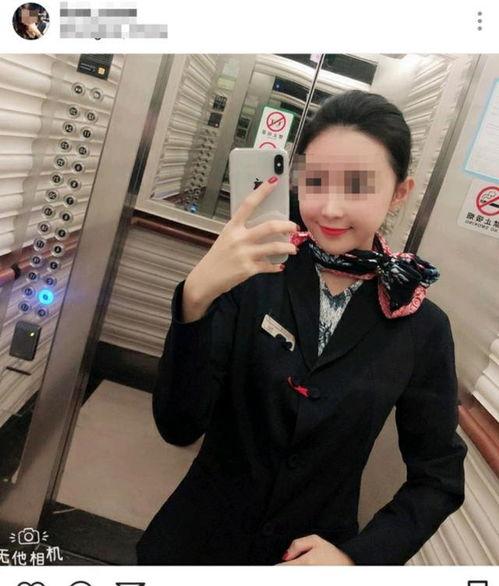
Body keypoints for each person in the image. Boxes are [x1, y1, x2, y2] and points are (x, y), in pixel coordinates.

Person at [136, 90, 467, 565]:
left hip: (309, 560)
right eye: (316, 181)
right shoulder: (254, 274)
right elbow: (178, 425)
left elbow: (439, 477)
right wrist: (194, 299)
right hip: (195, 545)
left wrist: (355, 559)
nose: (329, 208)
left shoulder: (421, 326)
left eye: (357, 187)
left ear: (399, 192)